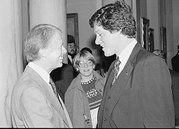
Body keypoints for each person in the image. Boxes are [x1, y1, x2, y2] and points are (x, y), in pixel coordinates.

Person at [89, 1, 175, 128]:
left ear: (117, 29)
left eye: (100, 34)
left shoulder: (150, 64)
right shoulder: (114, 65)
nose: (97, 41)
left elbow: (160, 123)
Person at [10, 24, 72, 128]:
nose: (65, 51)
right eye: (59, 46)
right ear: (43, 51)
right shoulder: (31, 91)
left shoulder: (41, 80)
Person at [65, 50, 106, 128]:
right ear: (77, 67)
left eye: (89, 63)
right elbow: (72, 116)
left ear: (93, 65)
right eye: (81, 64)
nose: (86, 66)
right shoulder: (72, 90)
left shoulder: (103, 82)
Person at [153, 49, 179, 128]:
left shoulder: (174, 77)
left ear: (163, 60)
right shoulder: (148, 76)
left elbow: (177, 102)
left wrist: (177, 123)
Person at [50, 35, 78, 102]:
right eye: (70, 46)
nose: (72, 48)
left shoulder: (75, 59)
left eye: (74, 46)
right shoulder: (65, 66)